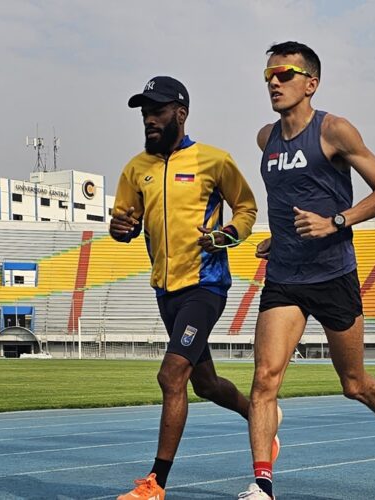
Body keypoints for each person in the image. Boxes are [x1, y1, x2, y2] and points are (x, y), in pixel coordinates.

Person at [238, 42, 375, 499]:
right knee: (264, 378)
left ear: (311, 83)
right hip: (285, 277)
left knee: (353, 384)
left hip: (333, 275)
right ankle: (262, 483)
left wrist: (335, 221)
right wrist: (281, 238)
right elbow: (288, 199)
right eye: (268, 75)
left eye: (285, 74)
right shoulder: (265, 139)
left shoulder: (334, 130)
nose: (274, 82)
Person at [111, 76, 275, 500]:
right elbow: (124, 223)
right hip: (165, 291)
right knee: (205, 384)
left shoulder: (213, 160)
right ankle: (260, 419)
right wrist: (119, 228)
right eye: (145, 113)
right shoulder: (135, 169)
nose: (149, 119)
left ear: (180, 114)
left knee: (171, 375)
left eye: (158, 111)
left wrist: (227, 235)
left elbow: (246, 208)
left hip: (205, 286)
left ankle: (155, 484)